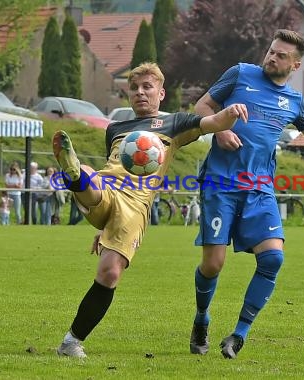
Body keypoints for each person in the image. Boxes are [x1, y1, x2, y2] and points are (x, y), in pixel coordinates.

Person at [52, 62, 248, 358]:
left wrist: (229, 114)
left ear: (161, 93)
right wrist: (101, 228)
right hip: (107, 188)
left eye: (147, 87)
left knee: (109, 273)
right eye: (134, 88)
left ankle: (70, 342)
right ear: (128, 94)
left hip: (134, 206)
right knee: (92, 173)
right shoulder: (115, 129)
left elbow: (211, 124)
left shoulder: (175, 124)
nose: (140, 93)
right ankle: (76, 173)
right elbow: (113, 165)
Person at [191, 29, 304, 359]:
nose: (271, 57)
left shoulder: (294, 101)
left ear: (295, 66)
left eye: (281, 55)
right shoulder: (240, 74)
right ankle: (201, 319)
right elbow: (202, 104)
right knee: (213, 265)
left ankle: (238, 335)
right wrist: (219, 129)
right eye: (271, 51)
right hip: (220, 184)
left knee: (273, 258)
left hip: (260, 189)